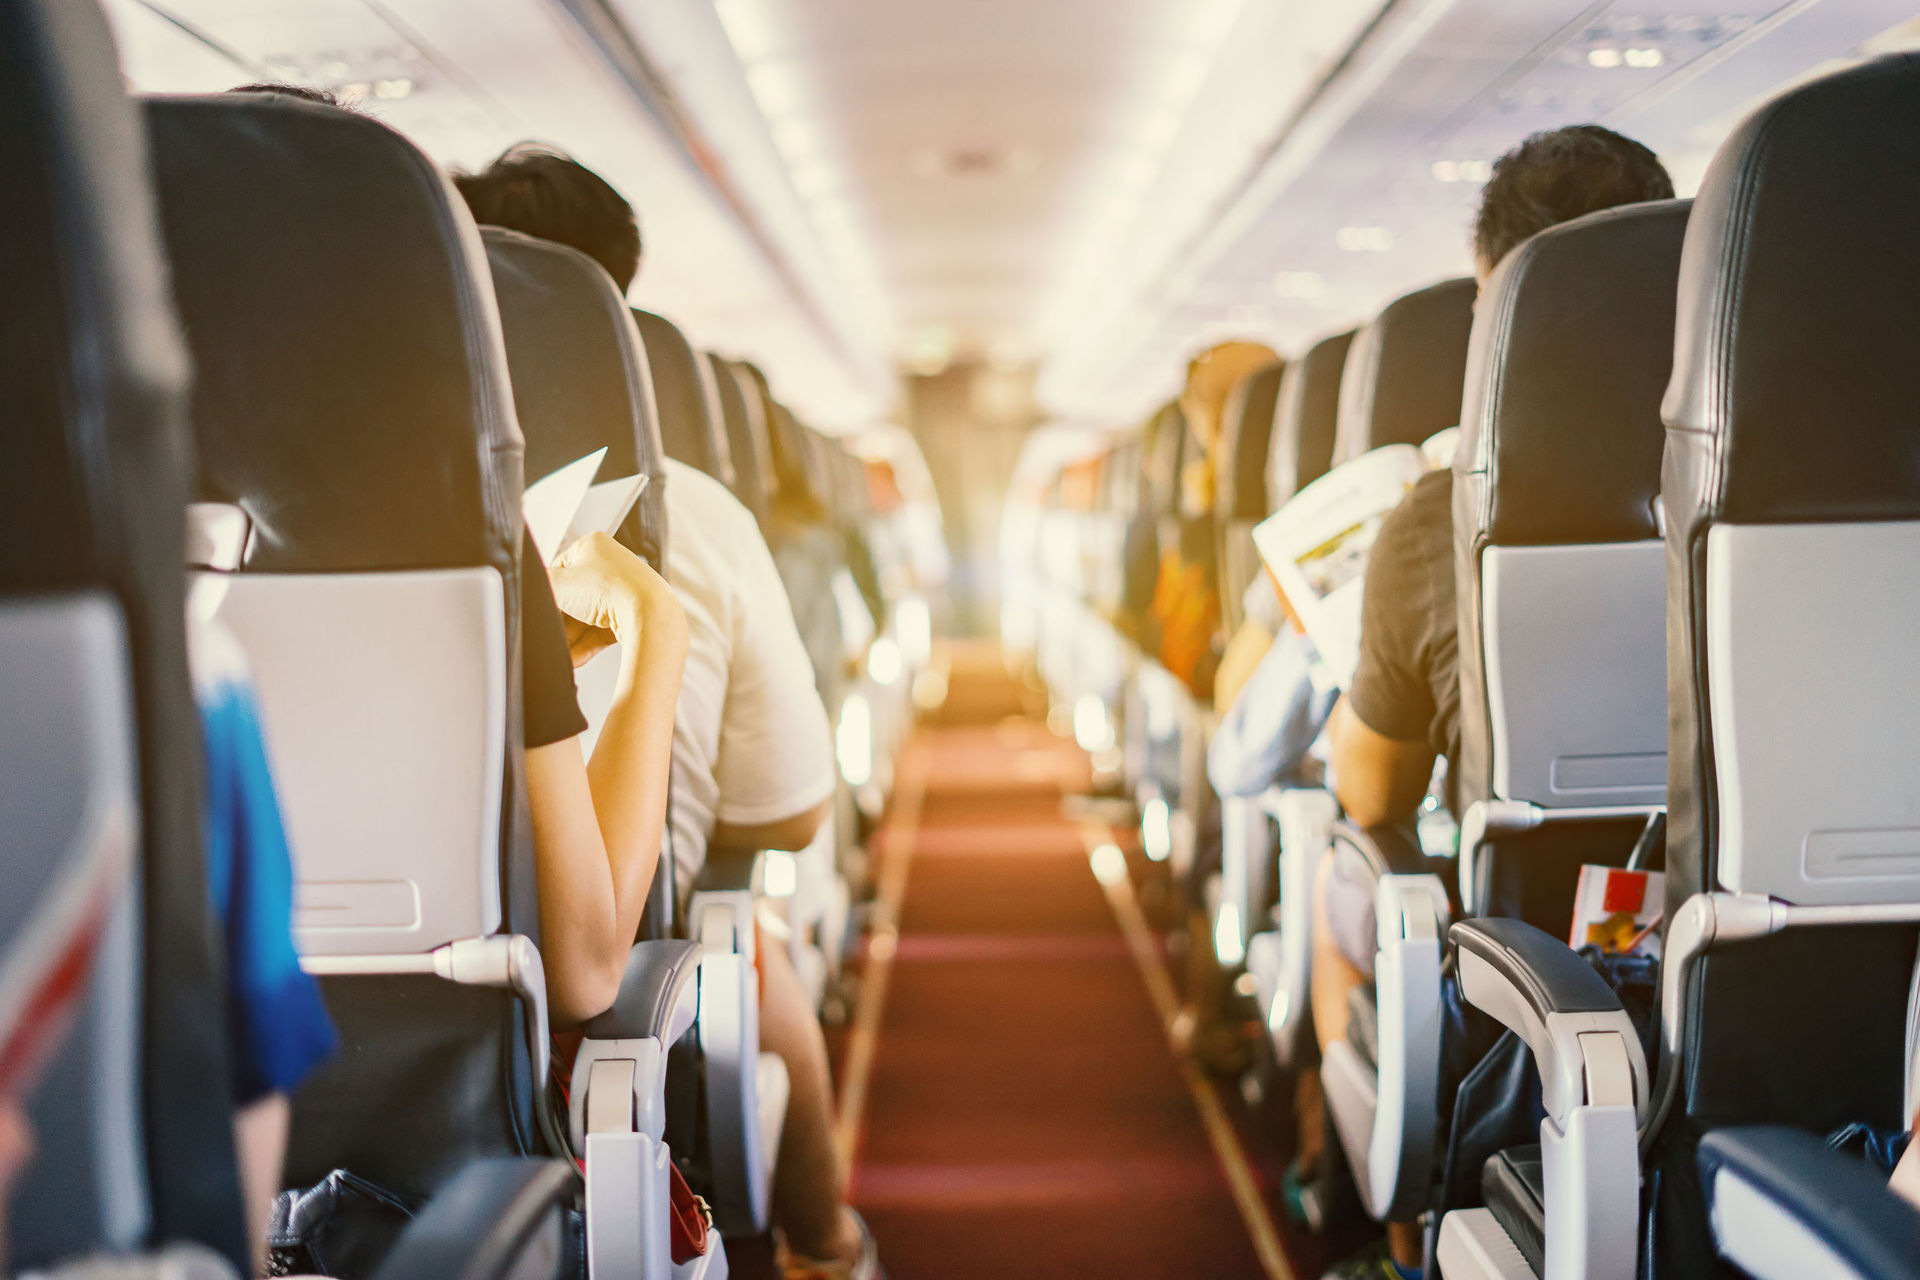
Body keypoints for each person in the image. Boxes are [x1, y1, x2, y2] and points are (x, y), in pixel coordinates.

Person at [454, 146, 879, 1280]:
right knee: (752, 935)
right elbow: (788, 814)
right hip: (606, 974)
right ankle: (829, 1248)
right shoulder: (690, 523)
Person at [1311, 124, 1675, 1280]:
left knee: (1338, 880)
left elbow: (1371, 790)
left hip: (1542, 991)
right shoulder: (1782, 485)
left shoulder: (1435, 521)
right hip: (1775, 1017)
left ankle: (1394, 1222)